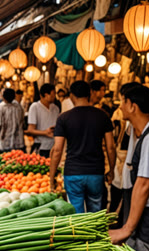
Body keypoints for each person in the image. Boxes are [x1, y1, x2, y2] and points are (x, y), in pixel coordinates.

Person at [49, 80, 116, 214]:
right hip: (96, 172)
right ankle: (95, 234)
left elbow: (57, 150)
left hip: (73, 172)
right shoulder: (102, 115)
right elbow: (111, 147)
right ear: (90, 93)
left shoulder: (63, 118)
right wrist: (112, 170)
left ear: (72, 96)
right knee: (96, 213)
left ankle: (79, 235)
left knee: (76, 214)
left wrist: (51, 177)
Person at [109, 84, 149, 251]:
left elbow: (144, 184)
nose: (120, 106)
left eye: (123, 101)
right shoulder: (143, 133)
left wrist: (126, 229)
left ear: (133, 106)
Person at [27, 83, 60, 158]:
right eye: (52, 94)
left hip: (53, 147)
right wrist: (45, 133)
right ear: (45, 95)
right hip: (41, 146)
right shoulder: (35, 107)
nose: (54, 96)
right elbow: (30, 130)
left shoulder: (56, 108)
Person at [0, 88, 25, 153]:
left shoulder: (0, 107)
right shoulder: (19, 107)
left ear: (3, 97)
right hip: (19, 144)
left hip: (4, 144)